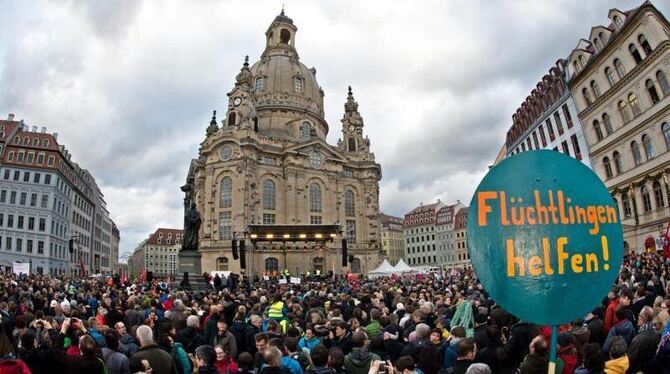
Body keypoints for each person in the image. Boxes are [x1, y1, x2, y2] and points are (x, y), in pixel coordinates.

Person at [626, 306, 659, 373]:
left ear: (642, 318)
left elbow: (629, 359)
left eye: (639, 315)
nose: (638, 317)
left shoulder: (639, 339)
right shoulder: (656, 333)